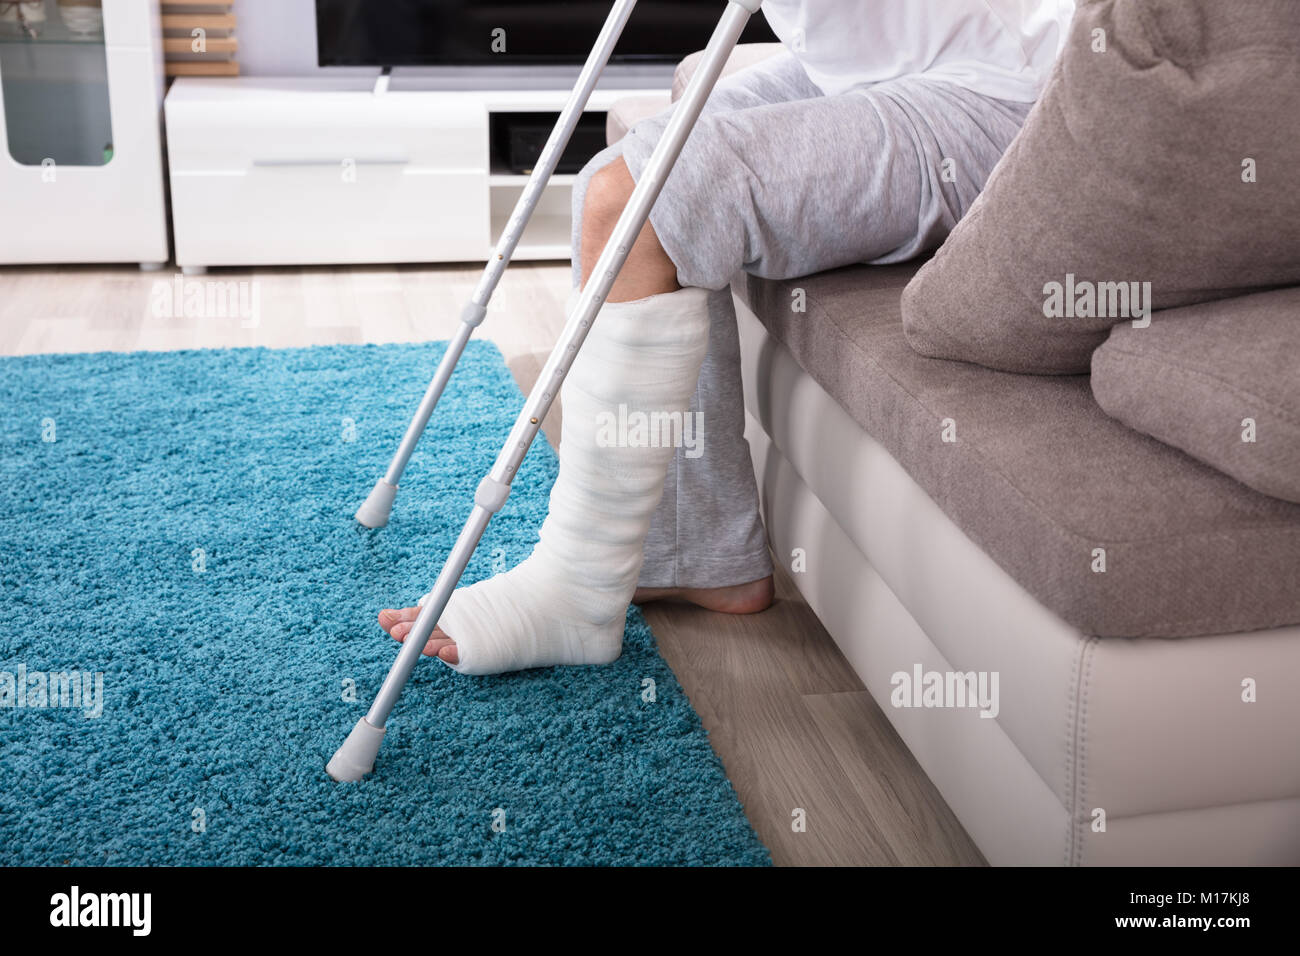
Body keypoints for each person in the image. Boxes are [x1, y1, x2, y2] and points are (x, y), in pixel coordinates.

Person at [379, 0, 1076, 674]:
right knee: (609, 186)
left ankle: (579, 587)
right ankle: (699, 559)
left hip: (999, 96)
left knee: (643, 200)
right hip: (877, 66)